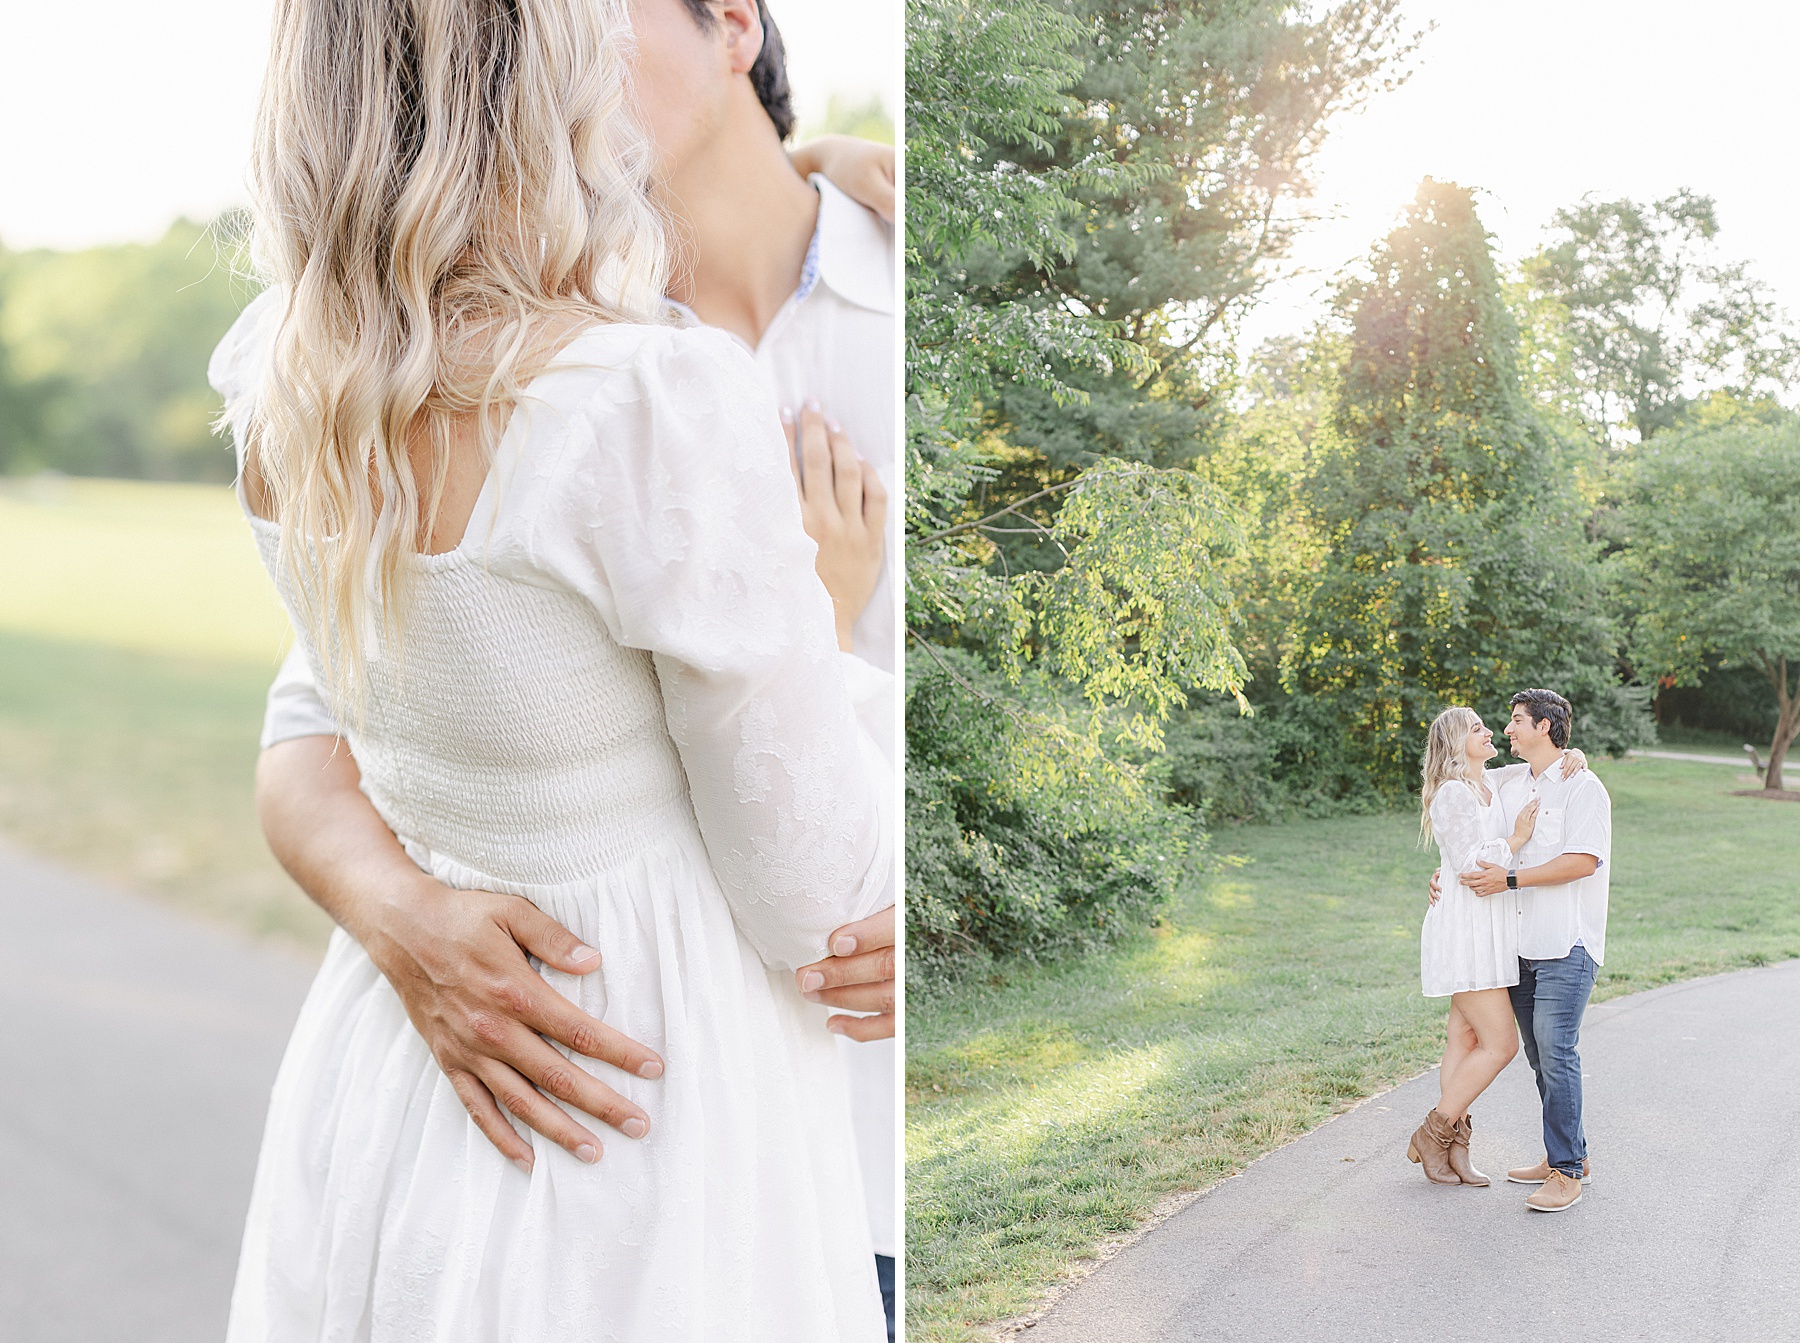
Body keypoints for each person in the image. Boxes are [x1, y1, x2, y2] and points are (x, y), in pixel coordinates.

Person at [211, 0, 891, 1336]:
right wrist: (400, 908)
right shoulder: (640, 386)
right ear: (537, 84)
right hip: (640, 1100)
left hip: (430, 1113)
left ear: (734, 31)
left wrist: (830, 162)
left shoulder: (290, 378)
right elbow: (822, 899)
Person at [1456, 689, 1612, 1214]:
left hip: (1567, 942)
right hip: (1519, 947)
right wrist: (1445, 872)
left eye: (1518, 720)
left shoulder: (1583, 787)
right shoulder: (1508, 781)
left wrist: (1511, 878)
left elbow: (1583, 861)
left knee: (1557, 1048)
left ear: (1545, 726)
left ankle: (1567, 1172)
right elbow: (1471, 826)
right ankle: (1569, 1156)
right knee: (1540, 1055)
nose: (1507, 729)